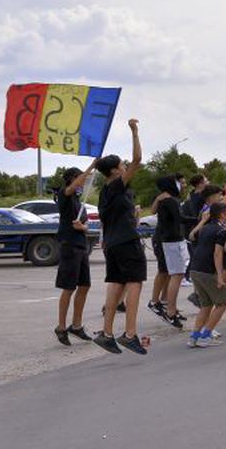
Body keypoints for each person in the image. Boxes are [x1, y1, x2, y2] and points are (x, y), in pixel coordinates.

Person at [92, 119, 147, 355]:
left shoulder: (105, 192)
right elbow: (137, 160)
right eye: (121, 164)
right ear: (114, 170)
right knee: (135, 283)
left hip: (112, 244)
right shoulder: (115, 185)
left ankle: (106, 333)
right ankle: (130, 333)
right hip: (126, 243)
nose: (125, 166)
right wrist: (134, 132)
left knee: (116, 285)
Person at [53, 160, 97, 345]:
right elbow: (73, 186)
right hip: (69, 246)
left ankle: (76, 325)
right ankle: (61, 327)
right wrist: (92, 166)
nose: (83, 184)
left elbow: (85, 226)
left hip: (81, 246)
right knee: (68, 288)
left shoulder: (80, 203)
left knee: (84, 286)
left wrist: (83, 227)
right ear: (72, 180)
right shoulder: (65, 196)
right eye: (80, 179)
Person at [187, 202, 226, 348]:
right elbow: (217, 253)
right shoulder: (220, 230)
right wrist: (220, 276)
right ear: (221, 214)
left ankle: (194, 337)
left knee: (206, 305)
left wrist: (202, 221)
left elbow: (192, 236)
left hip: (194, 269)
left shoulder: (205, 228)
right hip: (208, 271)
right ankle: (206, 335)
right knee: (222, 303)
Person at [153, 175, 187, 327]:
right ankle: (164, 306)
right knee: (172, 273)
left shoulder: (170, 199)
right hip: (168, 240)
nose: (181, 185)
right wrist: (201, 219)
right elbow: (180, 218)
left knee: (172, 273)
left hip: (172, 239)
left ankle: (168, 304)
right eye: (179, 182)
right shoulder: (166, 200)